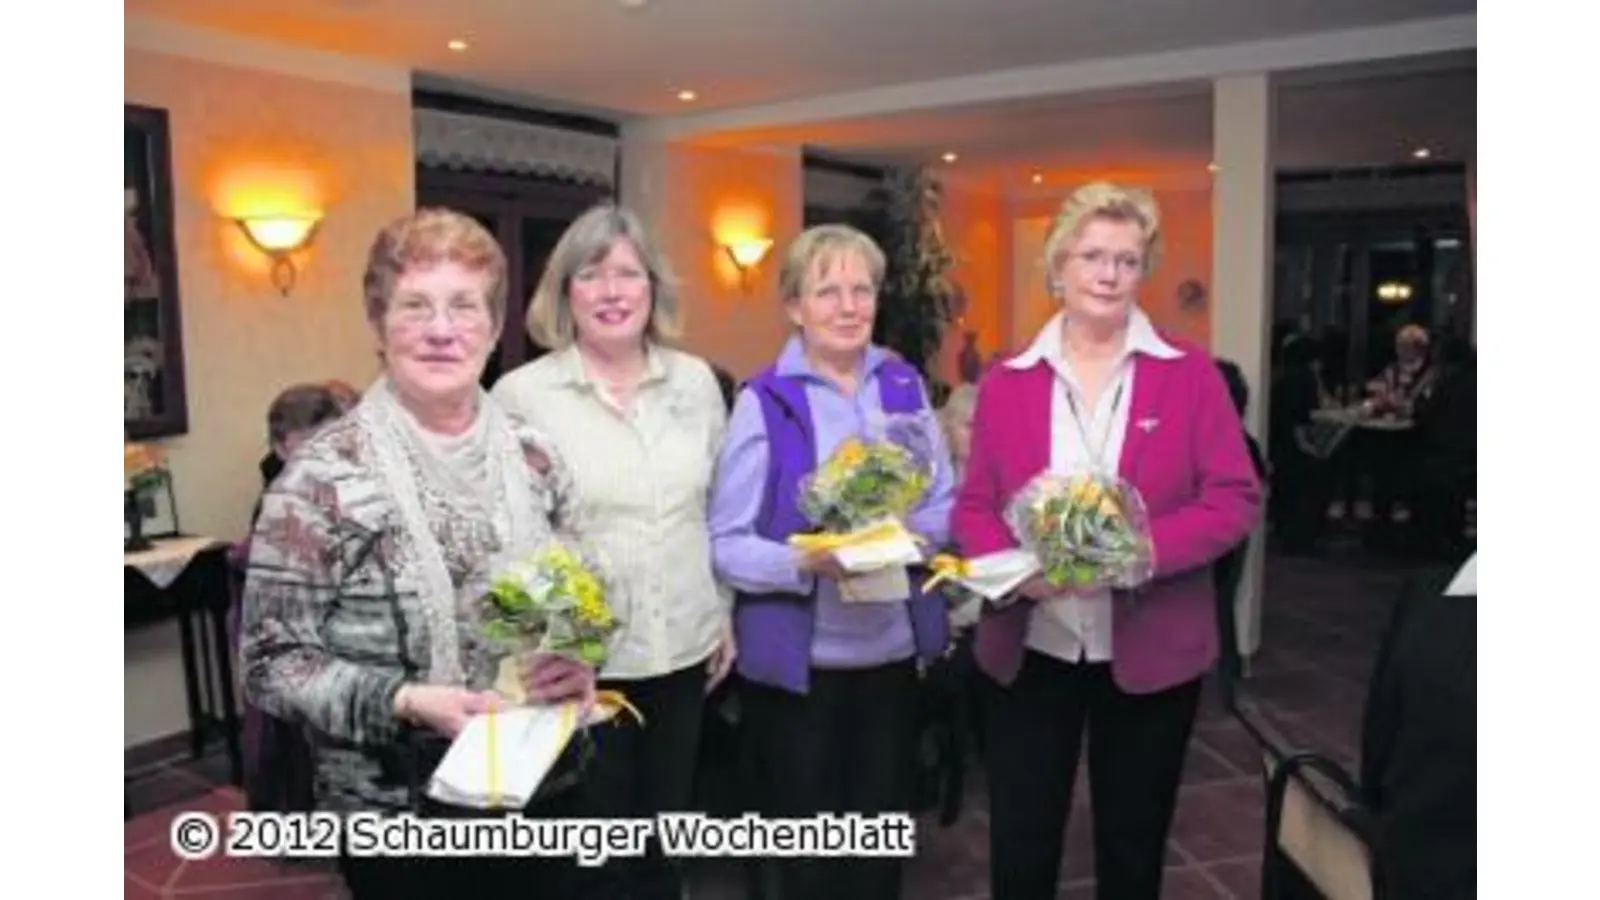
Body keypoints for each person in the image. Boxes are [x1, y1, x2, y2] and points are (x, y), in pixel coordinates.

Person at [239, 208, 598, 900]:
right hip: (399, 813)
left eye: (465, 306)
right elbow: (268, 665)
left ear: (495, 328)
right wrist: (406, 700)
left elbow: (573, 602)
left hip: (545, 785)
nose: (441, 329)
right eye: (415, 307)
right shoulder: (322, 477)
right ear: (378, 325)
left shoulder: (538, 457)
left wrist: (576, 661)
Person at [952, 182, 1262, 900]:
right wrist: (1012, 570)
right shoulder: (1008, 381)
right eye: (1092, 255)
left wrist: (1143, 551)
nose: (1109, 273)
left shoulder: (1190, 378)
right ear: (1057, 267)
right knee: (1022, 846)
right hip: (1032, 646)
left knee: (1133, 845)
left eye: (1127, 259)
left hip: (1152, 649)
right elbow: (976, 507)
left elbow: (1235, 497)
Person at [491, 203, 733, 900]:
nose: (612, 291)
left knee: (664, 841)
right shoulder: (521, 396)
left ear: (654, 289)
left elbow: (715, 510)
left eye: (629, 274)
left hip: (684, 650)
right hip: (580, 667)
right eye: (591, 275)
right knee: (589, 855)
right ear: (565, 293)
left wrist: (725, 608)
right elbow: (512, 543)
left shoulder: (695, 385)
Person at [709, 223, 958, 900]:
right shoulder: (765, 401)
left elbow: (945, 505)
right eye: (828, 291)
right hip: (801, 673)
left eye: (862, 290)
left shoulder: (905, 386)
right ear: (794, 306)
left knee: (879, 847)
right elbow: (727, 543)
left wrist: (905, 537)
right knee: (810, 860)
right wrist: (810, 562)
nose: (849, 306)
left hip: (892, 659)